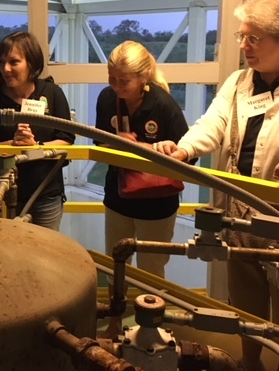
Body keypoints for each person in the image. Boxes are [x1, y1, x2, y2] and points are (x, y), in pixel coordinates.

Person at [155, 0, 279, 371]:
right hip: (238, 218)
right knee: (245, 308)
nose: (244, 46)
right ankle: (248, 363)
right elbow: (213, 123)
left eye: (254, 38)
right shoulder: (240, 81)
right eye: (242, 36)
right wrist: (184, 150)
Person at [94, 41, 189, 335]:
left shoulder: (163, 105)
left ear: (143, 78)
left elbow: (189, 151)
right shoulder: (107, 98)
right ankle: (113, 322)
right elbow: (98, 140)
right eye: (112, 78)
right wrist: (117, 142)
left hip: (157, 204)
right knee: (115, 264)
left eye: (124, 80)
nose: (117, 86)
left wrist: (159, 147)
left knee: (151, 270)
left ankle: (149, 330)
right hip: (118, 197)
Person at [0, 31, 75, 231]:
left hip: (46, 193)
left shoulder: (52, 93)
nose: (6, 69)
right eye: (2, 62)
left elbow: (66, 138)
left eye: (14, 62)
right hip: (0, 195)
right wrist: (12, 145)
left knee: (46, 254)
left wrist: (35, 147)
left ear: (31, 63)